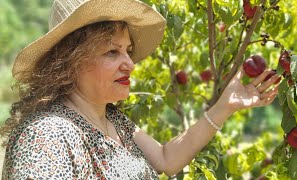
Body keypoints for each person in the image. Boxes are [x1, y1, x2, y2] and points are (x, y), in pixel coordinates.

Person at [1, 0, 280, 179]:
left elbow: (167, 159)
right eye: (112, 52)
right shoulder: (49, 136)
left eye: (128, 51)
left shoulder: (114, 121)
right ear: (70, 63)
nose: (130, 64)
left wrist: (225, 106)